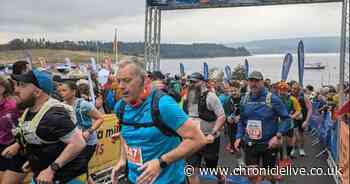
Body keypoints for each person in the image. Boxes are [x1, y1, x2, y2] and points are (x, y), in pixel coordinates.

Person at [111, 60, 206, 184]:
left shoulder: (162, 104)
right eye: (119, 81)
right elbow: (126, 133)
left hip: (168, 181)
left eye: (127, 80)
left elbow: (198, 139)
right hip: (134, 179)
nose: (121, 86)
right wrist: (123, 159)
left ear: (145, 80)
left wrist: (161, 162)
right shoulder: (121, 107)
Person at [3, 69, 88, 183]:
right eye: (17, 85)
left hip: (66, 178)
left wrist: (51, 169)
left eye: (22, 86)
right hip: (42, 176)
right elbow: (41, 137)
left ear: (37, 92)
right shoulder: (30, 111)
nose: (16, 90)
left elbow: (78, 143)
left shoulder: (54, 115)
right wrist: (34, 161)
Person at [234, 71, 291, 184]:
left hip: (268, 144)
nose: (254, 83)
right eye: (251, 81)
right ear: (248, 82)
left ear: (262, 82)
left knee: (270, 176)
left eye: (257, 81)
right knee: (252, 175)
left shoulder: (272, 99)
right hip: (250, 143)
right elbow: (241, 121)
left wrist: (278, 136)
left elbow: (286, 119)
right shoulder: (244, 99)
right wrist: (239, 136)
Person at [183, 72, 226, 184]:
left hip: (209, 138)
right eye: (190, 82)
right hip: (193, 138)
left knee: (211, 167)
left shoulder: (211, 97)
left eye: (194, 82)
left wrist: (213, 133)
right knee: (191, 170)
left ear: (202, 83)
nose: (192, 84)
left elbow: (221, 116)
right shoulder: (187, 97)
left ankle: (221, 177)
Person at [59, 81, 104, 184]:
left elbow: (100, 118)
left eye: (64, 90)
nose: (61, 93)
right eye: (60, 91)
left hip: (88, 143)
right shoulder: (61, 106)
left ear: (73, 91)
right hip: (73, 143)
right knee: (82, 169)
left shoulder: (83, 105)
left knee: (80, 169)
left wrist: (89, 131)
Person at [0, 75, 25, 183]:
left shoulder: (14, 104)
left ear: (2, 88)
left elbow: (26, 126)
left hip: (17, 148)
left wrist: (19, 145)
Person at [290, 83, 313, 157]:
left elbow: (310, 109)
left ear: (299, 90)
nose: (293, 90)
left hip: (303, 118)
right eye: (292, 88)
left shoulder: (304, 97)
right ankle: (293, 149)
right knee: (294, 134)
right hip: (294, 118)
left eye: (295, 88)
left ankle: (301, 149)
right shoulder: (289, 96)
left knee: (301, 134)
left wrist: (306, 121)